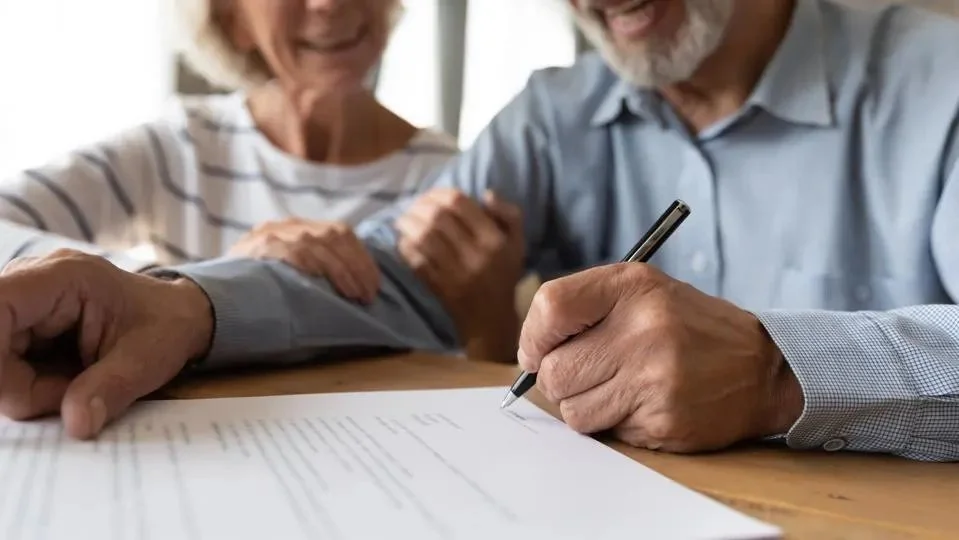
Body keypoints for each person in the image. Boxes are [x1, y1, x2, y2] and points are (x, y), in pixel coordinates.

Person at [1, 0, 958, 463]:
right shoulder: (551, 115)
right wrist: (186, 307)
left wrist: (776, 370)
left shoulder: (938, 81)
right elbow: (389, 270)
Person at [0, 0, 459, 303]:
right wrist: (197, 289)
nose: (329, 2)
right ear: (233, 19)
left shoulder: (452, 176)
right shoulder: (183, 146)